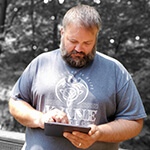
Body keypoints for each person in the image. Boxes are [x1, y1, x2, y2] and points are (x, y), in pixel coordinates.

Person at [9, 4, 146, 150]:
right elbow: (16, 102)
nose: (79, 49)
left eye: (87, 43)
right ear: (62, 33)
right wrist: (40, 118)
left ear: (96, 38)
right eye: (73, 41)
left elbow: (134, 121)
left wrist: (99, 133)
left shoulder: (115, 70)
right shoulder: (41, 63)